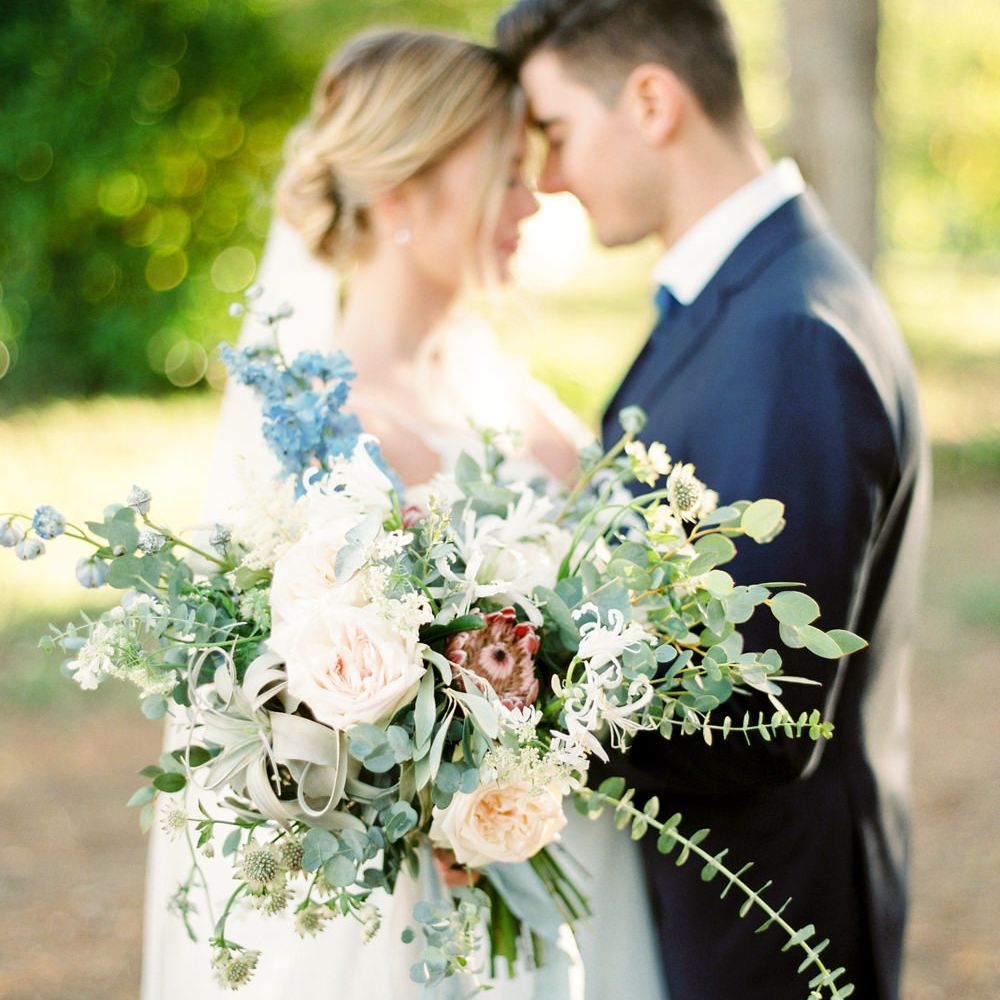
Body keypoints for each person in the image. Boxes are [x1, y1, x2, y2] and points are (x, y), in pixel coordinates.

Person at [141, 27, 667, 1000]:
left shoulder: (524, 401)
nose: (534, 201)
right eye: (506, 175)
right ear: (399, 190)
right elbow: (270, 737)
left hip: (576, 870)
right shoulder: (306, 438)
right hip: (402, 922)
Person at [495, 2, 930, 998]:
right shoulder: (746, 296)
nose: (549, 176)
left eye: (557, 130)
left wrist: (496, 696)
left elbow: (761, 711)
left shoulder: (790, 331)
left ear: (652, 102)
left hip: (765, 934)